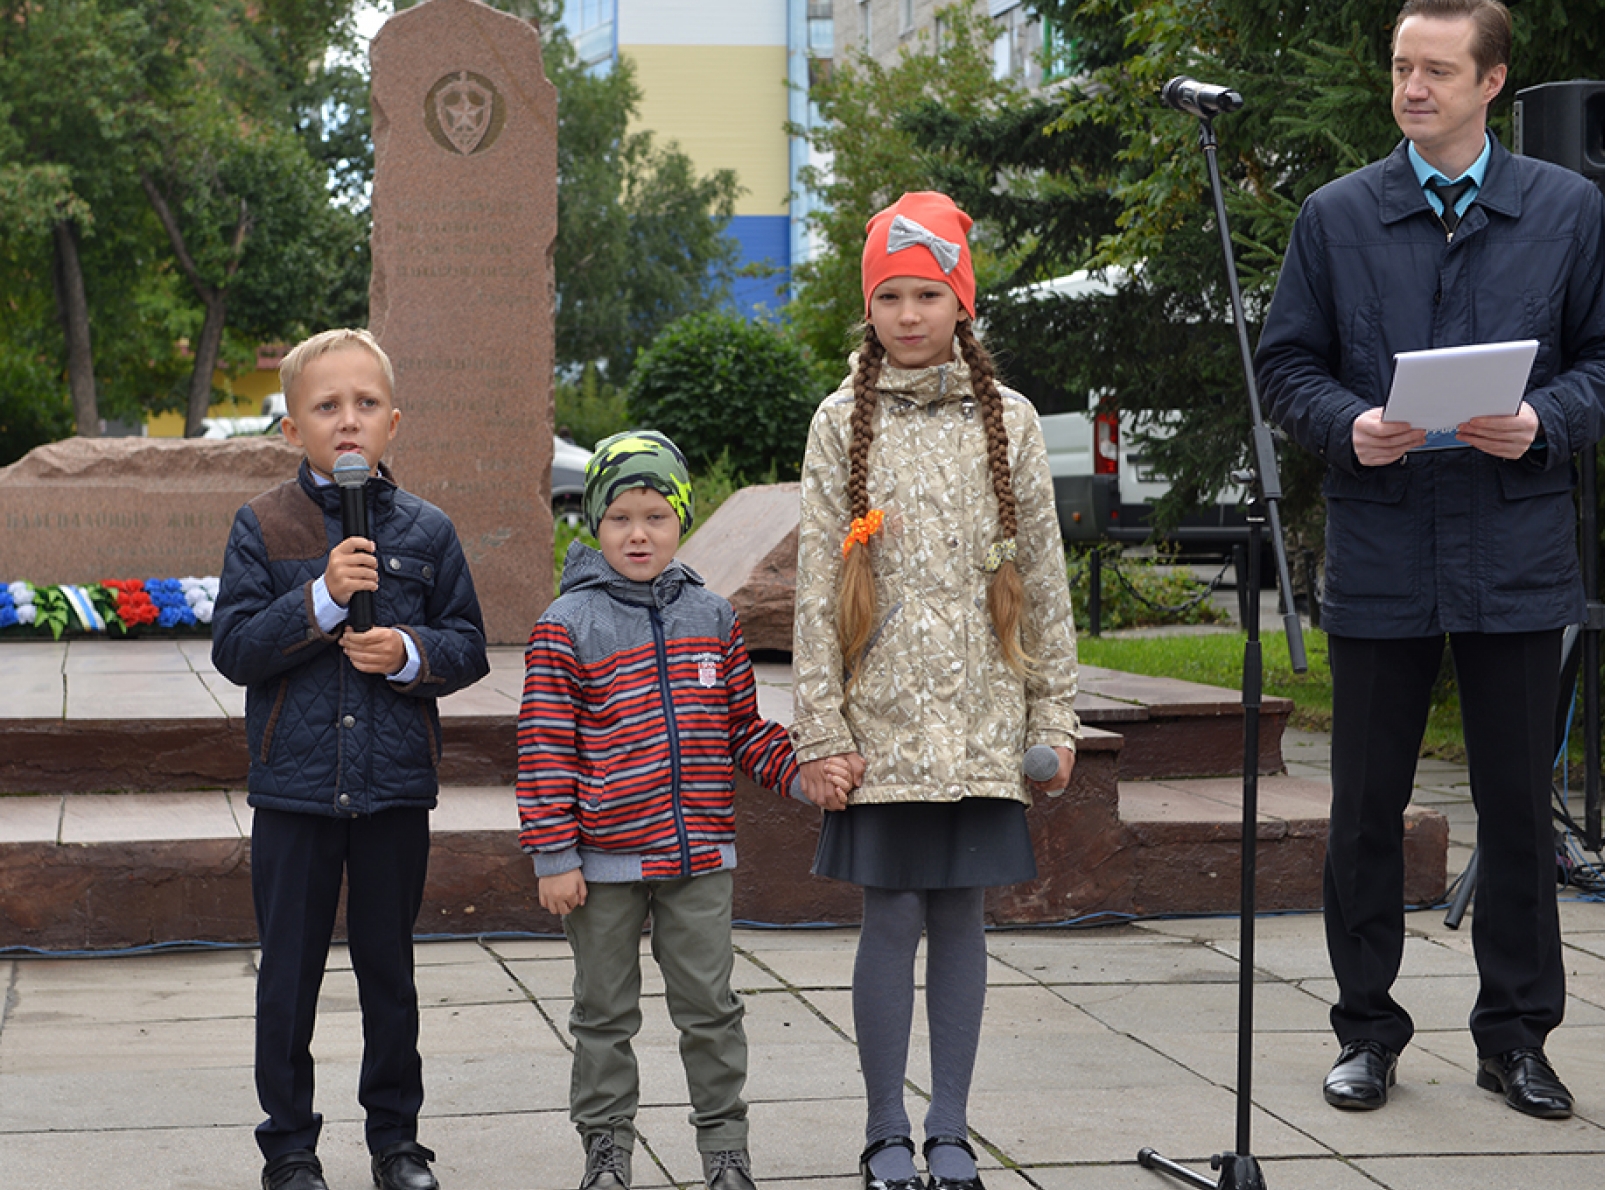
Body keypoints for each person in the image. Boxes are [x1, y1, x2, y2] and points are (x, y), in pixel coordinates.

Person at [1255, 0, 1605, 1121]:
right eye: (1399, 67)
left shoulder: (1565, 210)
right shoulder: (1335, 217)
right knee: (1362, 810)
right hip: (1381, 553)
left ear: (1491, 83)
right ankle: (1366, 1031)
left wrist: (1543, 419)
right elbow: (1286, 364)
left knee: (1519, 811)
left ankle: (1516, 1038)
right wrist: (1346, 425)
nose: (1411, 87)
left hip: (1514, 557)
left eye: (1436, 69)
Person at [789, 191, 1080, 1190]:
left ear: (962, 302)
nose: (909, 313)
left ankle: (950, 1124)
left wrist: (1055, 713)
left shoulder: (1012, 421)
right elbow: (820, 590)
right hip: (883, 723)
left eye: (927, 293)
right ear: (867, 308)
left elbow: (1042, 575)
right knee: (892, 913)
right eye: (890, 295)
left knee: (961, 913)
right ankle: (882, 1128)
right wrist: (818, 728)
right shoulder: (840, 423)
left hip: (984, 724)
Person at [515, 430, 853, 1190]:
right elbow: (543, 749)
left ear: (681, 519)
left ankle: (724, 1151)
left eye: (656, 516)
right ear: (595, 524)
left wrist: (801, 774)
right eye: (621, 517)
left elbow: (740, 730)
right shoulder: (565, 625)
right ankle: (607, 1148)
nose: (639, 533)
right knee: (603, 1014)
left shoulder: (714, 618)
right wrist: (555, 856)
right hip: (600, 863)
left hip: (701, 857)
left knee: (711, 1009)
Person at [212, 328, 490, 1190]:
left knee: (390, 973)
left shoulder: (428, 530)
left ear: (393, 423)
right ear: (292, 429)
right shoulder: (262, 525)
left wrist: (409, 654)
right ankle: (289, 1146)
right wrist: (320, 601)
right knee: (288, 978)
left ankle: (397, 1141)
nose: (348, 421)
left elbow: (469, 646)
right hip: (294, 793)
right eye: (326, 406)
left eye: (365, 405)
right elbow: (234, 650)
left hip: (391, 790)